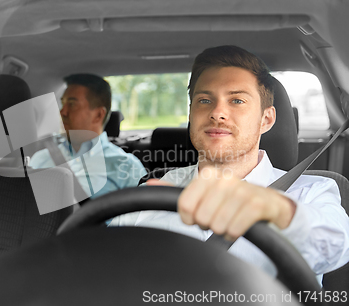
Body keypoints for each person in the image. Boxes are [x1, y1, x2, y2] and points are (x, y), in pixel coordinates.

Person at [110, 45, 349, 281]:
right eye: (204, 100)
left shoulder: (312, 192)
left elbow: (333, 250)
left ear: (266, 119)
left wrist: (274, 208)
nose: (217, 112)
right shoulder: (146, 197)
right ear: (191, 114)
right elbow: (106, 275)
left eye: (236, 101)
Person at [29, 73, 146, 201]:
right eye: (63, 103)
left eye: (72, 104)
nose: (63, 112)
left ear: (98, 115)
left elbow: (142, 218)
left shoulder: (127, 167)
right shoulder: (40, 159)